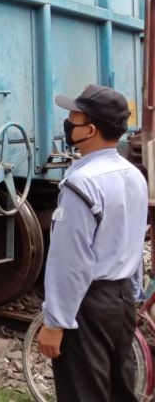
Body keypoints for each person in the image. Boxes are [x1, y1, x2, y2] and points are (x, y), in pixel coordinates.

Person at [38, 84, 147, 401]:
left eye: (74, 117)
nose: (68, 122)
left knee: (83, 391)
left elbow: (69, 260)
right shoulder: (133, 175)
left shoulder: (81, 182)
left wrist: (56, 322)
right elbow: (134, 240)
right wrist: (134, 294)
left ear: (91, 129)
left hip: (88, 302)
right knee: (117, 389)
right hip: (122, 298)